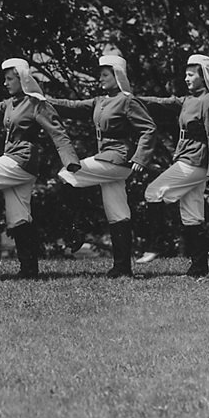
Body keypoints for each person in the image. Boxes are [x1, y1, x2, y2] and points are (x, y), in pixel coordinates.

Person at [0, 58, 81, 278]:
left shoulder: (37, 104)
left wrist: (70, 160)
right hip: (18, 165)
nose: (5, 83)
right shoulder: (10, 103)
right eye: (5, 79)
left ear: (22, 78)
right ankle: (29, 270)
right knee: (19, 217)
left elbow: (58, 133)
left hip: (21, 162)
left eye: (9, 79)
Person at [48, 54, 158, 278]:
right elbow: (72, 106)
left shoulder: (128, 100)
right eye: (100, 75)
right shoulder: (100, 100)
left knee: (66, 174)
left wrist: (140, 157)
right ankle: (122, 269)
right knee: (118, 214)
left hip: (117, 159)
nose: (101, 79)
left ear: (118, 76)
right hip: (107, 160)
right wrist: (43, 100)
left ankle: (79, 226)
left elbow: (149, 128)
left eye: (105, 75)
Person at [138, 54, 209, 277]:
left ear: (203, 76)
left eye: (190, 74)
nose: (185, 78)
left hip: (197, 161)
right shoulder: (189, 100)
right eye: (185, 74)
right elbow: (164, 103)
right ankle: (199, 268)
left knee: (153, 192)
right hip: (189, 159)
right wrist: (135, 99)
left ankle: (156, 244)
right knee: (192, 213)